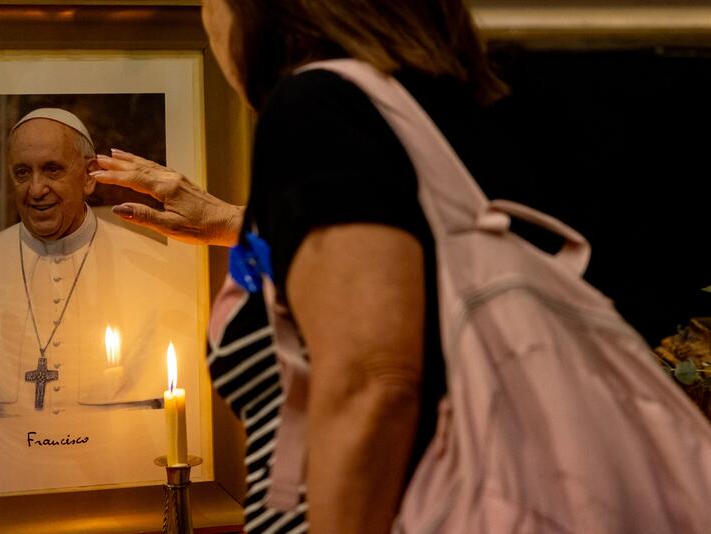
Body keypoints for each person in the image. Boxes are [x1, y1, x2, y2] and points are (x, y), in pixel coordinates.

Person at [92, 1, 509, 532]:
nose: (206, 17)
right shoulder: (440, 111)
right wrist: (233, 222)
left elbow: (374, 383)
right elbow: (399, 251)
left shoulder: (318, 105)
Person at [0, 108, 186, 421]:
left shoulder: (153, 270)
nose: (36, 189)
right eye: (22, 173)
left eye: (52, 169)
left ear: (89, 176)